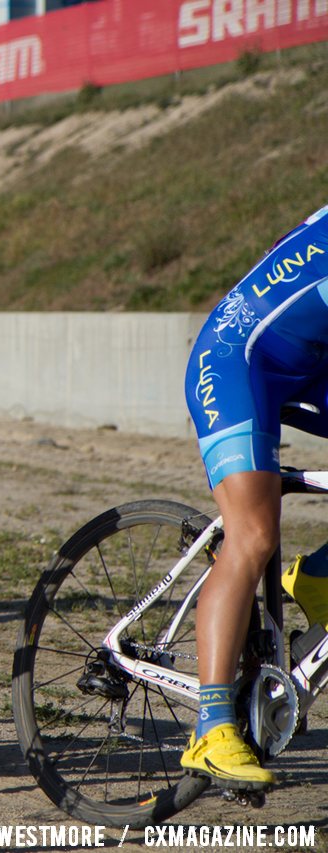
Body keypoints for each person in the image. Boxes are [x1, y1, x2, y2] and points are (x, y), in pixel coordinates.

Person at [183, 202, 328, 790]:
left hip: (303, 363)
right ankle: (211, 728)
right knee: (254, 536)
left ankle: (318, 577)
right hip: (235, 360)